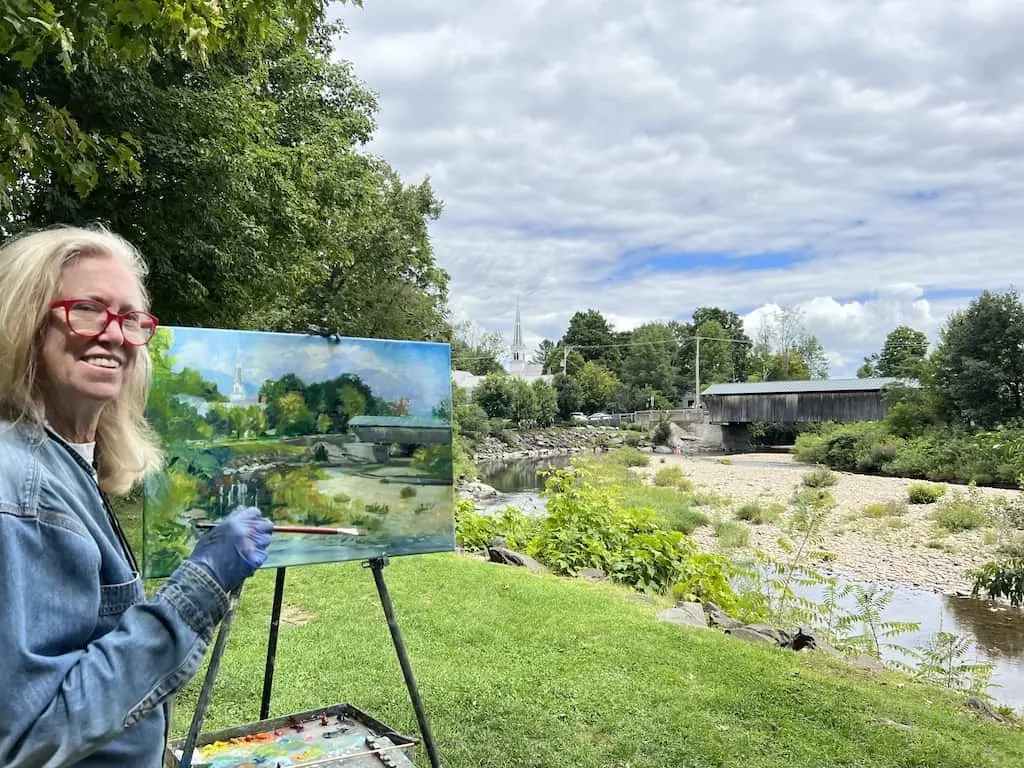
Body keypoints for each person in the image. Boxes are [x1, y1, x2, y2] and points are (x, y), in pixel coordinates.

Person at [0, 225, 274, 767]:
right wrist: (199, 588)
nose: (113, 334)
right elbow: (33, 733)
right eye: (86, 309)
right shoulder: (24, 490)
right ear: (25, 322)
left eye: (129, 319)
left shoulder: (64, 463)